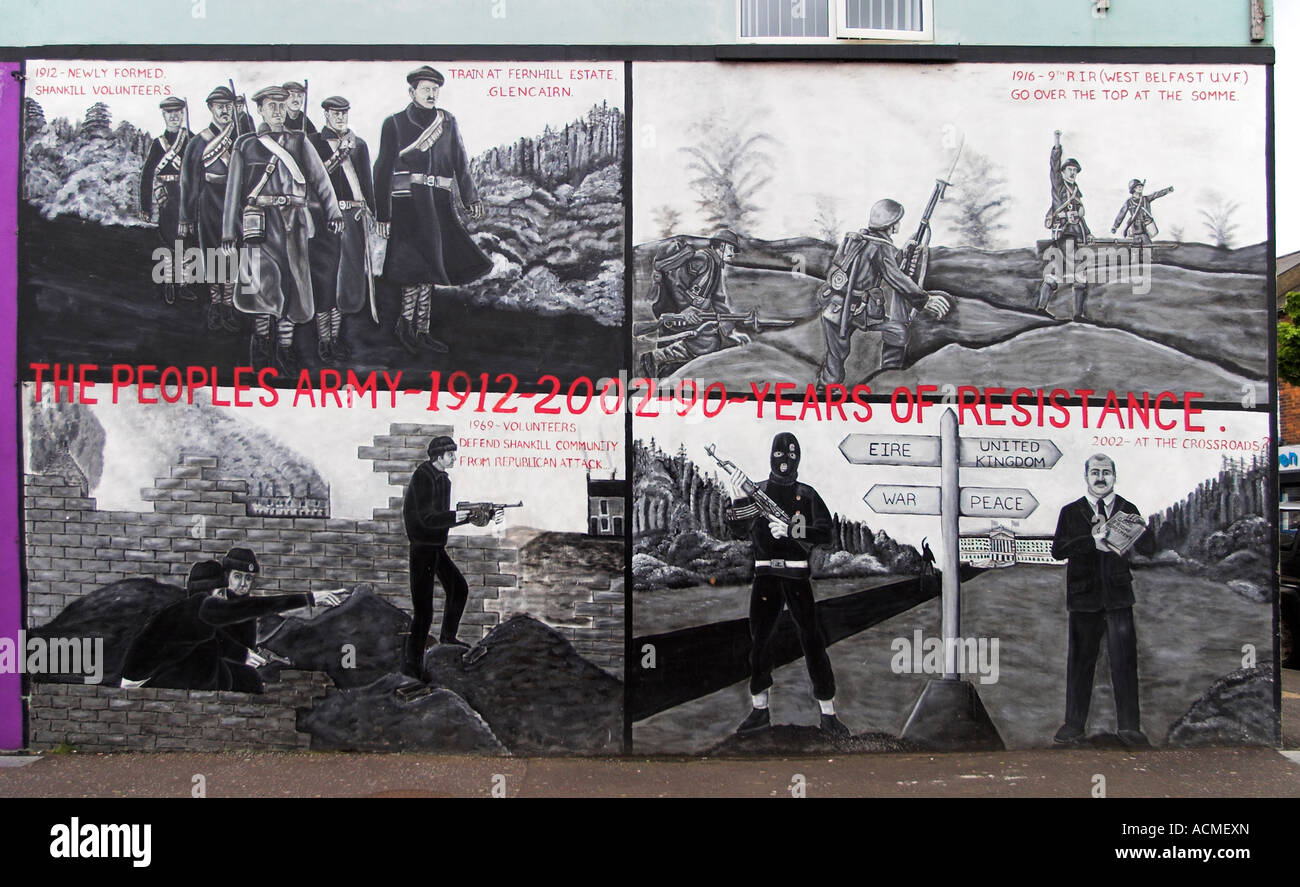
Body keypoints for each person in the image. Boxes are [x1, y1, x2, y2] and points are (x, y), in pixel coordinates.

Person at [723, 432, 849, 739]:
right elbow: (737, 530)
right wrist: (737, 495)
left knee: (812, 641)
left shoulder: (806, 494)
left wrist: (792, 529)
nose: (784, 461)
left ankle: (828, 714)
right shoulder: (758, 492)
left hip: (796, 575)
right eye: (780, 454)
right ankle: (759, 710)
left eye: (791, 455)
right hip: (766, 575)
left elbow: (825, 531)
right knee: (760, 642)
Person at [221, 85, 343, 375]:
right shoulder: (245, 144)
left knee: (293, 288)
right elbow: (233, 191)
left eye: (281, 105)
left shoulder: (299, 141)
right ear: (260, 110)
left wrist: (333, 211)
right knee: (262, 287)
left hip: (293, 223)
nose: (277, 111)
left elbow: (321, 179)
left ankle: (285, 347)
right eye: (270, 106)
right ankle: (262, 344)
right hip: (259, 224)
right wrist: (228, 232)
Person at [373, 65, 491, 354]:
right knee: (413, 269)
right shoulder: (395, 123)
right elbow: (382, 169)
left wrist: (470, 198)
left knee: (431, 269)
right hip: (408, 203)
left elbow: (460, 161)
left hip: (438, 203)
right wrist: (382, 214)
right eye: (426, 89)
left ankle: (421, 330)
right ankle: (405, 325)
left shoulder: (447, 122)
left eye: (435, 89)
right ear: (412, 91)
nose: (432, 94)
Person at [119, 550, 343, 693]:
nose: (225, 598)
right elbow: (254, 607)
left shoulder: (188, 612)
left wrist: (244, 656)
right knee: (224, 674)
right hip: (145, 683)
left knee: (238, 675)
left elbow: (213, 639)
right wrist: (310, 598)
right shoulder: (203, 606)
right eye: (222, 592)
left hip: (144, 677)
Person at [1049, 454, 1157, 748]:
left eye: (1106, 472)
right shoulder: (1071, 512)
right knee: (1081, 663)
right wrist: (1090, 542)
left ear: (1114, 476)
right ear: (1086, 476)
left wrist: (1141, 529)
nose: (1100, 477)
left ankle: (1130, 728)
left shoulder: (1127, 509)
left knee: (1124, 663)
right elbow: (1057, 550)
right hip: (1084, 599)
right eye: (1095, 472)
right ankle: (1073, 725)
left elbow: (1150, 549)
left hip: (1119, 598)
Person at [817, 199, 952, 384]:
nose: (898, 224)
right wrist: (925, 300)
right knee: (898, 331)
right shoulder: (881, 247)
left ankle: (825, 390)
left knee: (834, 361)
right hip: (856, 310)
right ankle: (889, 377)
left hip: (834, 308)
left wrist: (903, 252)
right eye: (897, 221)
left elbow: (872, 264)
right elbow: (895, 277)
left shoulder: (855, 239)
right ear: (891, 224)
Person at [402, 436, 498, 677]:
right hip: (422, 548)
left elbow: (443, 517)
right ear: (438, 456)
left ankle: (447, 637)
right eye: (450, 454)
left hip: (435, 546)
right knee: (423, 612)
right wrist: (463, 515)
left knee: (459, 590)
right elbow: (428, 518)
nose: (455, 457)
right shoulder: (423, 477)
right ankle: (412, 668)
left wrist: (476, 515)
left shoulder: (443, 479)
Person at [307, 95, 376, 362]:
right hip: (326, 220)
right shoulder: (313, 143)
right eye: (335, 113)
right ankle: (323, 339)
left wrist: (372, 212)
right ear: (325, 115)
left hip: (353, 218)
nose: (340, 118)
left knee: (346, 283)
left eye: (343, 113)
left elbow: (366, 183)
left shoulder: (358, 145)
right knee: (326, 280)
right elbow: (312, 182)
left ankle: (335, 338)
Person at [638, 229, 750, 379]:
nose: (733, 253)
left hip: (686, 313)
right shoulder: (704, 259)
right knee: (706, 342)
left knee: (705, 343)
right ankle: (655, 358)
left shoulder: (715, 264)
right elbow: (677, 283)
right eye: (731, 248)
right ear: (721, 246)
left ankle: (661, 368)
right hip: (677, 312)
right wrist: (687, 311)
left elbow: (718, 299)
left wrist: (730, 331)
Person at [180, 85, 247, 333]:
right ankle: (215, 305)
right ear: (211, 108)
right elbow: (188, 181)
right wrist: (186, 216)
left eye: (229, 106)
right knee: (211, 254)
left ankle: (228, 306)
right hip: (208, 201)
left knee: (233, 254)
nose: (225, 111)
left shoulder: (241, 138)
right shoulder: (198, 142)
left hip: (234, 202)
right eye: (220, 107)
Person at [139, 96, 193, 305]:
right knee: (168, 241)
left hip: (187, 197)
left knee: (187, 243)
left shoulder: (192, 140)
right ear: (164, 115)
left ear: (182, 115)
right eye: (169, 113)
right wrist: (145, 206)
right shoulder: (158, 144)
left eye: (177, 113)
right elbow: (147, 174)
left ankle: (184, 284)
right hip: (167, 199)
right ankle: (169, 284)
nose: (174, 117)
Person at [1035, 130, 1091, 320]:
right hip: (1063, 236)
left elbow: (1079, 218)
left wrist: (1087, 232)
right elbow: (1053, 166)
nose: (1073, 173)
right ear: (1063, 172)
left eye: (1075, 171)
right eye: (1070, 170)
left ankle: (1044, 308)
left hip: (1072, 236)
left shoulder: (1076, 192)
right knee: (1079, 274)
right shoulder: (1059, 186)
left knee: (1055, 274)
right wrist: (1057, 144)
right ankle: (1076, 315)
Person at [1111, 179, 1174, 246]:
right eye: (1138, 186)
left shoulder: (1145, 199)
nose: (1140, 188)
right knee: (1135, 240)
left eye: (1141, 186)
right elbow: (1121, 214)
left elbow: (1156, 194)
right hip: (1136, 225)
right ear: (1133, 189)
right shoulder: (1129, 202)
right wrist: (1115, 227)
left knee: (1152, 234)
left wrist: (1168, 190)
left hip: (1147, 223)